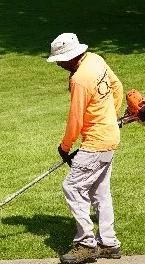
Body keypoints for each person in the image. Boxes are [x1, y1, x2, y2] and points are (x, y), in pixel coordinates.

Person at [46, 33, 123, 264]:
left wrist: (65, 146)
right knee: (100, 192)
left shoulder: (80, 79)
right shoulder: (96, 60)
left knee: (72, 187)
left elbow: (75, 119)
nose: (58, 64)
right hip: (109, 137)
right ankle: (109, 244)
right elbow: (116, 86)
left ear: (71, 57)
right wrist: (111, 116)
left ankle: (86, 244)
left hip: (95, 143)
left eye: (60, 60)